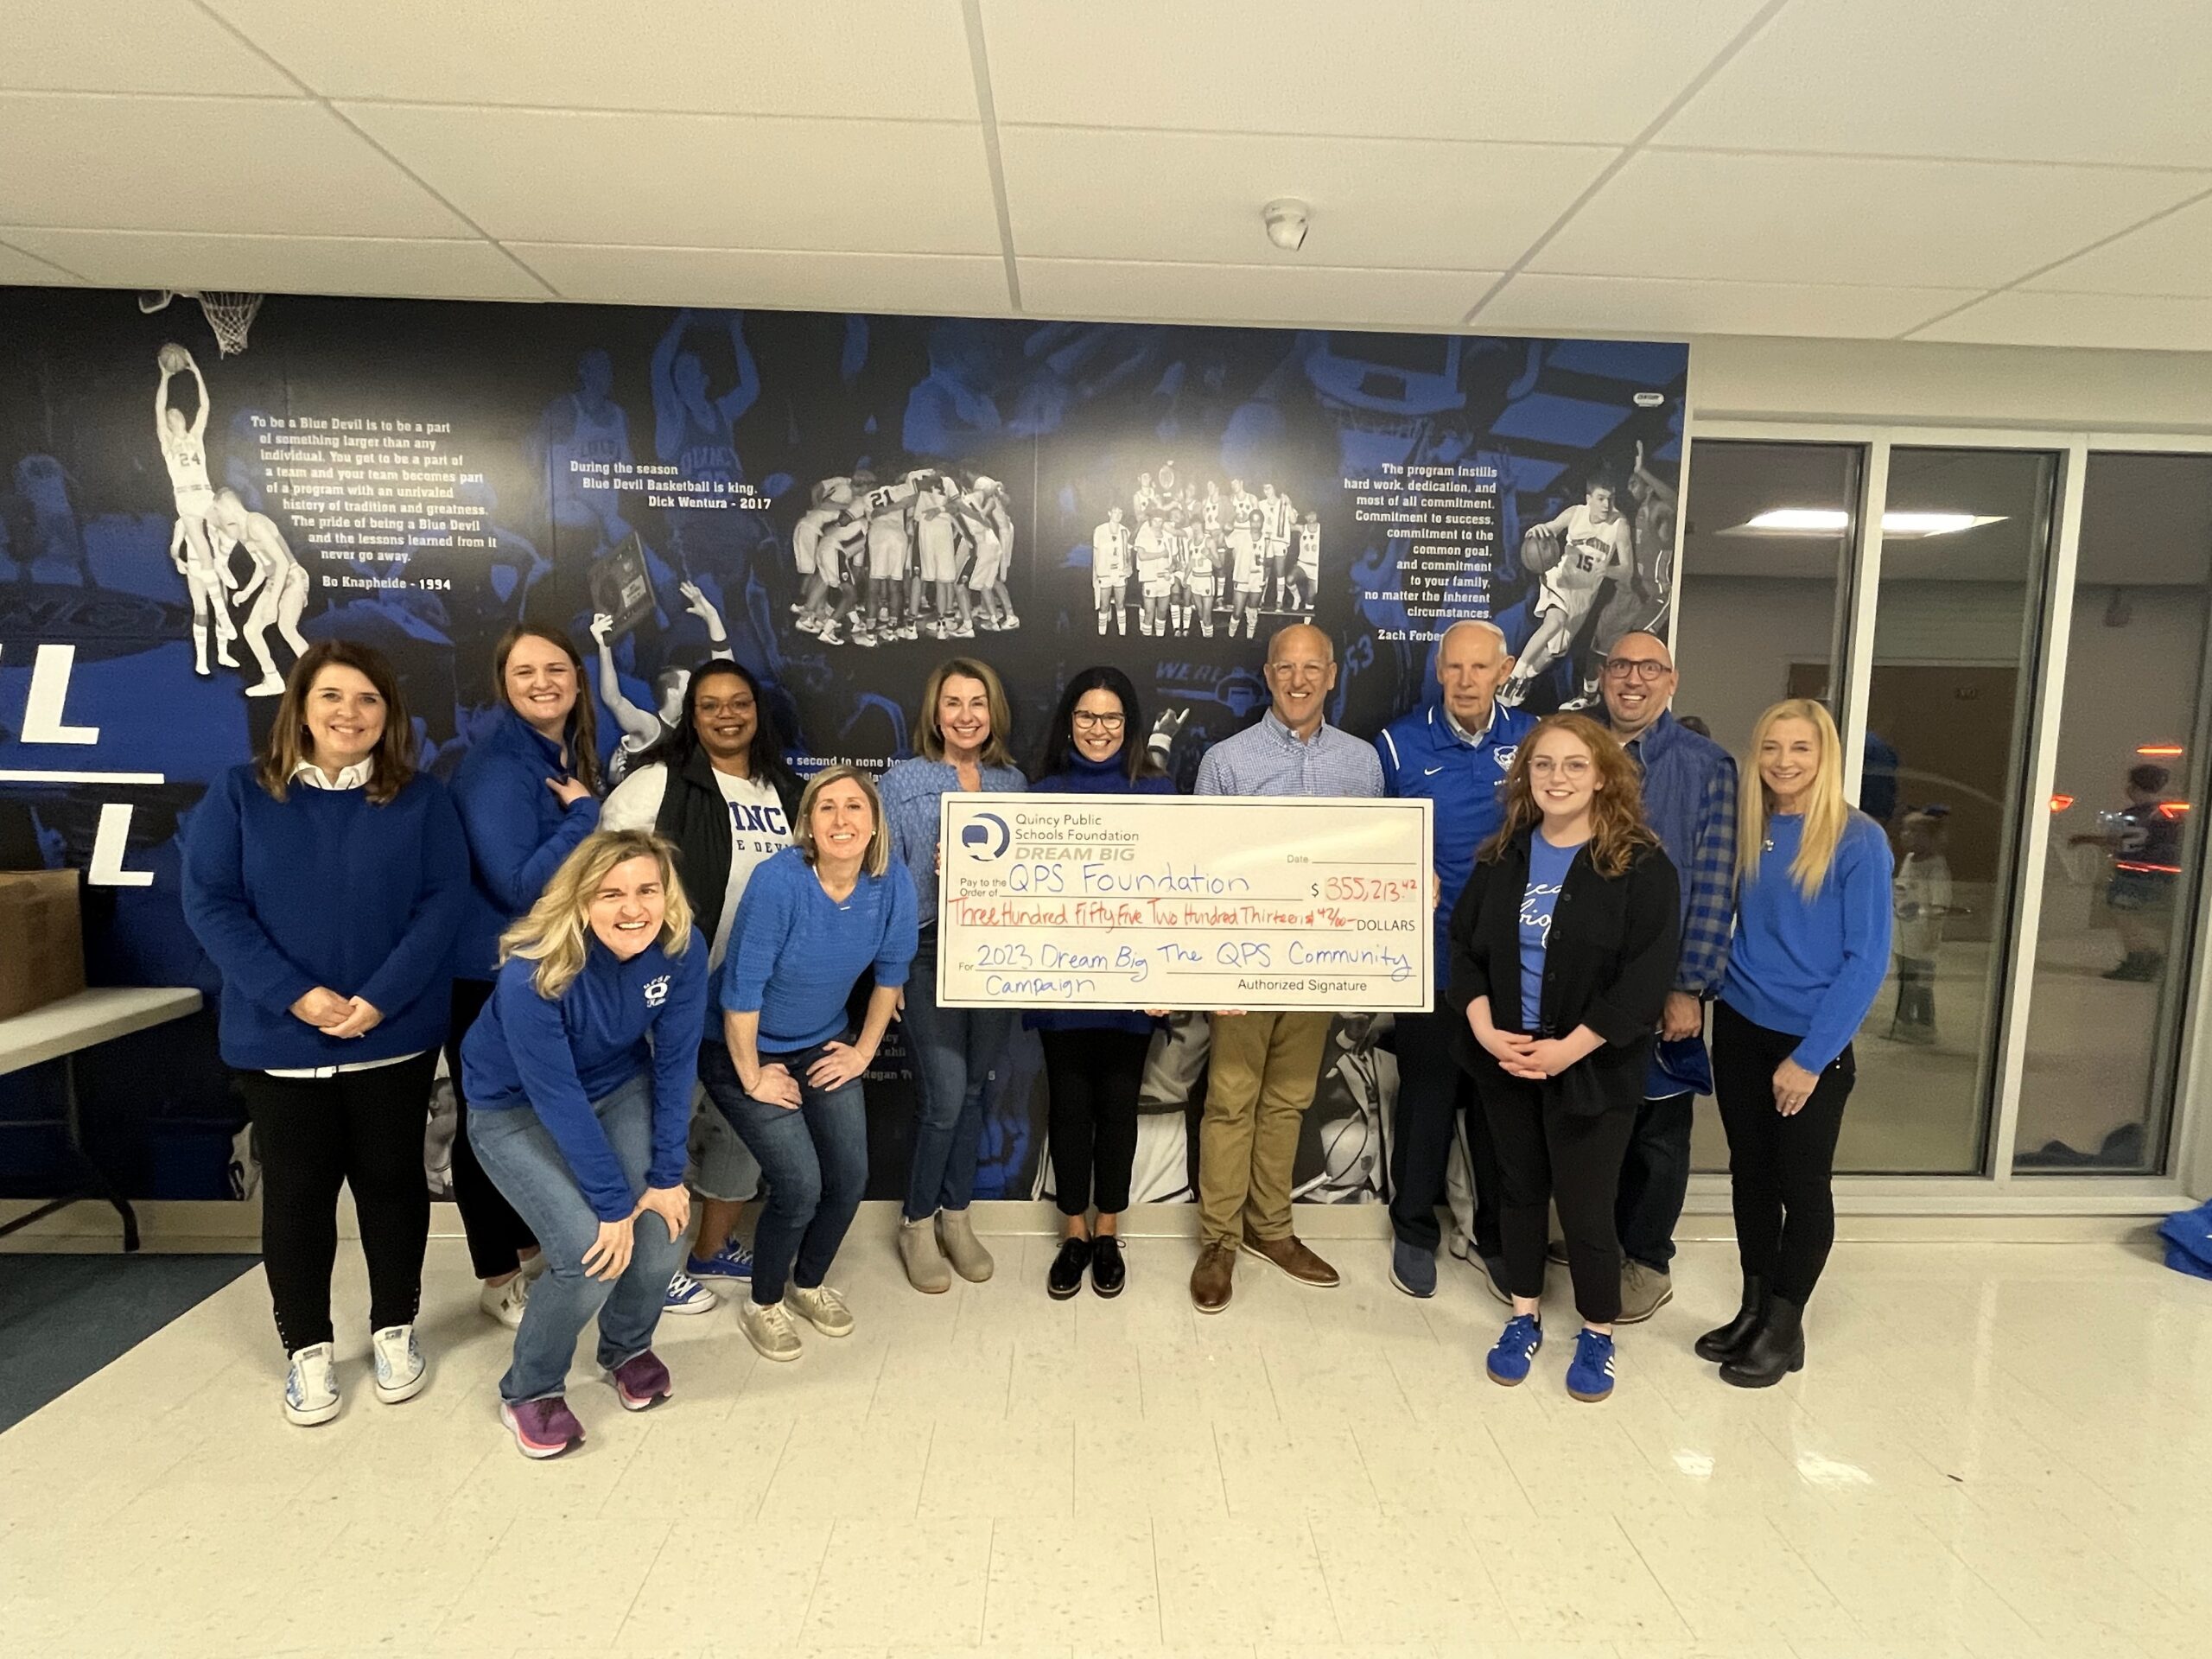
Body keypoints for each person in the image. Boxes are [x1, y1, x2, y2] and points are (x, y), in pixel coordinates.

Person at [181, 641, 468, 1426]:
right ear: (301, 708)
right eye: (333, 697)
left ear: (389, 713)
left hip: (392, 1036)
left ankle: (394, 1329)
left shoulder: (421, 799)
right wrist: (296, 997)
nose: (350, 713)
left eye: (368, 699)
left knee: (392, 1186)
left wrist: (379, 1000)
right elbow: (211, 904)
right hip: (280, 1041)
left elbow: (443, 902)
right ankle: (307, 1347)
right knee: (298, 1198)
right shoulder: (242, 793)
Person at [1448, 715, 1679, 1403]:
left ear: (1603, 775)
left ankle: (1598, 1331)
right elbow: (1464, 950)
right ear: (1526, 776)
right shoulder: (1503, 857)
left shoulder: (1642, 866)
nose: (1557, 778)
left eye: (1575, 765)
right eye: (1543, 764)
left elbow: (1644, 982)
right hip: (1508, 1059)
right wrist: (1487, 1031)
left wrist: (1566, 1051)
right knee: (1518, 1194)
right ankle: (1524, 1316)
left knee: (1586, 1207)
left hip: (1592, 1068)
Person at [461, 830, 709, 1458]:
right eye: (611, 894)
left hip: (618, 1086)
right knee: (589, 1251)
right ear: (580, 899)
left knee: (662, 1231)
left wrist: (666, 1177)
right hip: (514, 1107)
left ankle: (626, 1347)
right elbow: (556, 1097)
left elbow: (676, 1063)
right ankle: (530, 1389)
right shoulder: (534, 970)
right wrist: (611, 1203)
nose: (633, 909)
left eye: (647, 890)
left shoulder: (680, 946)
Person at [1188, 624, 1384, 1313]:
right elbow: (1199, 869)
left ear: (1331, 675)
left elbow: (1375, 861)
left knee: (1290, 1100)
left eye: (1312, 669)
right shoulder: (1226, 762)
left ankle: (1270, 1228)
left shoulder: (1363, 764)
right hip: (1242, 966)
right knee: (1230, 1101)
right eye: (1285, 668)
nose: (1298, 681)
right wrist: (1211, 971)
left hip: (1319, 966)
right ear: (1269, 675)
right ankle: (1219, 1240)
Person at [1699, 699, 1891, 1388]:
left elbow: (1867, 960)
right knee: (1749, 1175)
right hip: (1741, 1026)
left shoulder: (1857, 840)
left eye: (1800, 748)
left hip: (1811, 1038)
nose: (1784, 762)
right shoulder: (1751, 828)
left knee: (1801, 1186)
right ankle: (1754, 1309)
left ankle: (1785, 1325)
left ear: (1825, 756)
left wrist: (1810, 1059)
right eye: (1772, 747)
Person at [601, 660, 800, 1301]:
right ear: (691, 716)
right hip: (673, 996)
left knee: (738, 1130)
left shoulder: (785, 791)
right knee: (660, 1130)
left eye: (739, 702)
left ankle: (712, 1250)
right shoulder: (655, 785)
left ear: (758, 711)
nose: (726, 715)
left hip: (752, 1001)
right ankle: (651, 1271)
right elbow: (604, 884)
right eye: (710, 705)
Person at [710, 767, 916, 1358]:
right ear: (807, 823)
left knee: (849, 1178)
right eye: (827, 807)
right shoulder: (780, 883)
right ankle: (763, 1303)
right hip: (739, 1045)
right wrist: (752, 1076)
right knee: (800, 1186)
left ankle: (808, 1283)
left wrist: (863, 1052)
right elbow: (742, 992)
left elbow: (891, 977)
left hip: (821, 1041)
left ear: (874, 823)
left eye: (855, 807)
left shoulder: (891, 880)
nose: (841, 819)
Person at [448, 626, 605, 1327]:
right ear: (503, 684)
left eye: (555, 668)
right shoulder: (498, 766)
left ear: (577, 676)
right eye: (524, 672)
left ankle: (526, 1247)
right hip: (486, 976)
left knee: (530, 1117)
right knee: (488, 1123)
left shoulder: (556, 752)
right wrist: (585, 818)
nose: (543, 682)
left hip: (537, 970)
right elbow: (515, 884)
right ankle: (498, 1276)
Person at [1375, 621, 1534, 1304]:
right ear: (1438, 672)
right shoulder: (1397, 744)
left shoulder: (1536, 740)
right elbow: (1370, 839)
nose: (1466, 681)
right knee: (1427, 1100)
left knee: (1503, 1110)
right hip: (1431, 957)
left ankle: (1497, 1239)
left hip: (1512, 962)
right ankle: (1414, 1230)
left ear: (1504, 670)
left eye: (1480, 668)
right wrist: (1404, 867)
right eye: (1454, 668)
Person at [1596, 629, 1738, 1322]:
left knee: (1657, 1132)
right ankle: (1595, 1243)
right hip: (1584, 980)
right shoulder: (1573, 747)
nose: (1633, 679)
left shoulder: (1707, 766)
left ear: (1671, 681)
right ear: (1603, 677)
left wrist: (1688, 986)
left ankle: (1646, 1260)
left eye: (1649, 668)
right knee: (1593, 1120)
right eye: (1621, 666)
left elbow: (1714, 884)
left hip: (1662, 982)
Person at [1028, 668, 1177, 1299]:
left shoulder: (1160, 792)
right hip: (1061, 984)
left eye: (1111, 717)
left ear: (1129, 725)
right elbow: (1019, 890)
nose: (1098, 729)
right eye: (1087, 716)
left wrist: (1170, 977)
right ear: (1069, 723)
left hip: (1135, 987)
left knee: (1119, 1109)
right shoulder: (1042, 794)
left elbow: (1181, 891)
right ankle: (1074, 1234)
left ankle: (1109, 1231)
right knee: (1068, 1108)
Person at [880, 658, 1027, 1291]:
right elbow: (886, 881)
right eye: (953, 703)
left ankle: (957, 1217)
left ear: (993, 712)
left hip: (993, 951)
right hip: (925, 947)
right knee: (943, 1096)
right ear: (935, 714)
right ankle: (917, 1222)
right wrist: (889, 972)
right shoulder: (901, 781)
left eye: (977, 703)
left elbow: (1030, 876)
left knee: (971, 1092)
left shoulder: (1014, 784)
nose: (966, 716)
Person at [1499, 472, 1635, 709]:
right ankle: (1513, 678)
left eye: (1611, 498)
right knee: (1554, 622)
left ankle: (1527, 678)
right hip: (1560, 580)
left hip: (1583, 596)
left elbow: (1627, 571)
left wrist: (1608, 570)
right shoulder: (1575, 513)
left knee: (1554, 651)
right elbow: (1550, 528)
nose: (1607, 504)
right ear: (1589, 498)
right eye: (1601, 498)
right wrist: (1539, 529)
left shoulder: (1619, 525)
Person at [589, 580, 734, 785]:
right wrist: (605, 646)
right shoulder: (651, 728)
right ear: (673, 691)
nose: (698, 689)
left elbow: (727, 677)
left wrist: (712, 617)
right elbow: (614, 700)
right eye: (689, 684)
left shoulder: (694, 726)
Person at [156, 345, 238, 678]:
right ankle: (223, 618)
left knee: (230, 526)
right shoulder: (167, 443)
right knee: (201, 551)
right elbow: (159, 408)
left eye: (178, 414)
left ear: (184, 419)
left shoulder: (195, 438)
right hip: (185, 498)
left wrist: (196, 371)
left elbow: (206, 406)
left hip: (205, 493)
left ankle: (223, 566)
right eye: (171, 415)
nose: (175, 416)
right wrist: (165, 377)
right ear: (168, 422)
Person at [2072, 764, 2182, 982]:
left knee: (2124, 916)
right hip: (2161, 875)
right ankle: (2150, 957)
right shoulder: (2167, 814)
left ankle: (2140, 957)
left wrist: (2085, 839)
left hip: (2131, 874)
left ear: (2134, 787)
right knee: (2146, 918)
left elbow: (2116, 843)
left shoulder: (2130, 816)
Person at [212, 487, 311, 697]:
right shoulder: (242, 532)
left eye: (219, 511)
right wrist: (247, 592)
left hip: (292, 577)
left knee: (287, 628)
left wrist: (273, 604)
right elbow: (263, 566)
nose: (219, 517)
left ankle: (317, 678)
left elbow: (283, 563)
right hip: (274, 580)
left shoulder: (256, 523)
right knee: (251, 629)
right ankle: (273, 680)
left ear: (228, 507)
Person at [1887, 807, 1953, 1041]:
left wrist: (1929, 934)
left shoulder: (1936, 867)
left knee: (1920, 986)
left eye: (1914, 831)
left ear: (1930, 837)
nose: (1906, 835)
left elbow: (1940, 905)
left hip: (1922, 940)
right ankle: (1903, 1023)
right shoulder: (1909, 860)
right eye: (1905, 830)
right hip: (1904, 937)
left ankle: (1925, 1026)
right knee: (1905, 982)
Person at [1092, 505, 1132, 637]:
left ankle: (1122, 634)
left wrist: (1129, 566)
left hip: (1120, 572)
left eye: (1121, 512)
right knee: (1104, 605)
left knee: (1120, 604)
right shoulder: (1100, 530)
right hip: (1104, 572)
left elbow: (1128, 553)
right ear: (1109, 513)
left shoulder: (1125, 531)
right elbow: (1095, 553)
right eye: (1115, 512)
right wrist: (1094, 575)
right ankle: (1101, 635)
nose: (1118, 515)